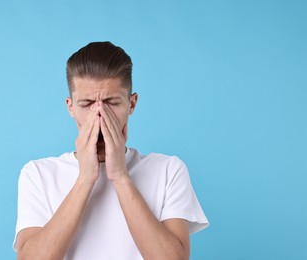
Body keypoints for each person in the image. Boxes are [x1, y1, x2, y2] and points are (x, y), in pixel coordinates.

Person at [13, 41, 209, 260]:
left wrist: (120, 176)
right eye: (87, 104)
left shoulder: (168, 170)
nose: (99, 116)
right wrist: (85, 179)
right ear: (70, 107)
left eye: (111, 102)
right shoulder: (38, 174)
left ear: (131, 104)